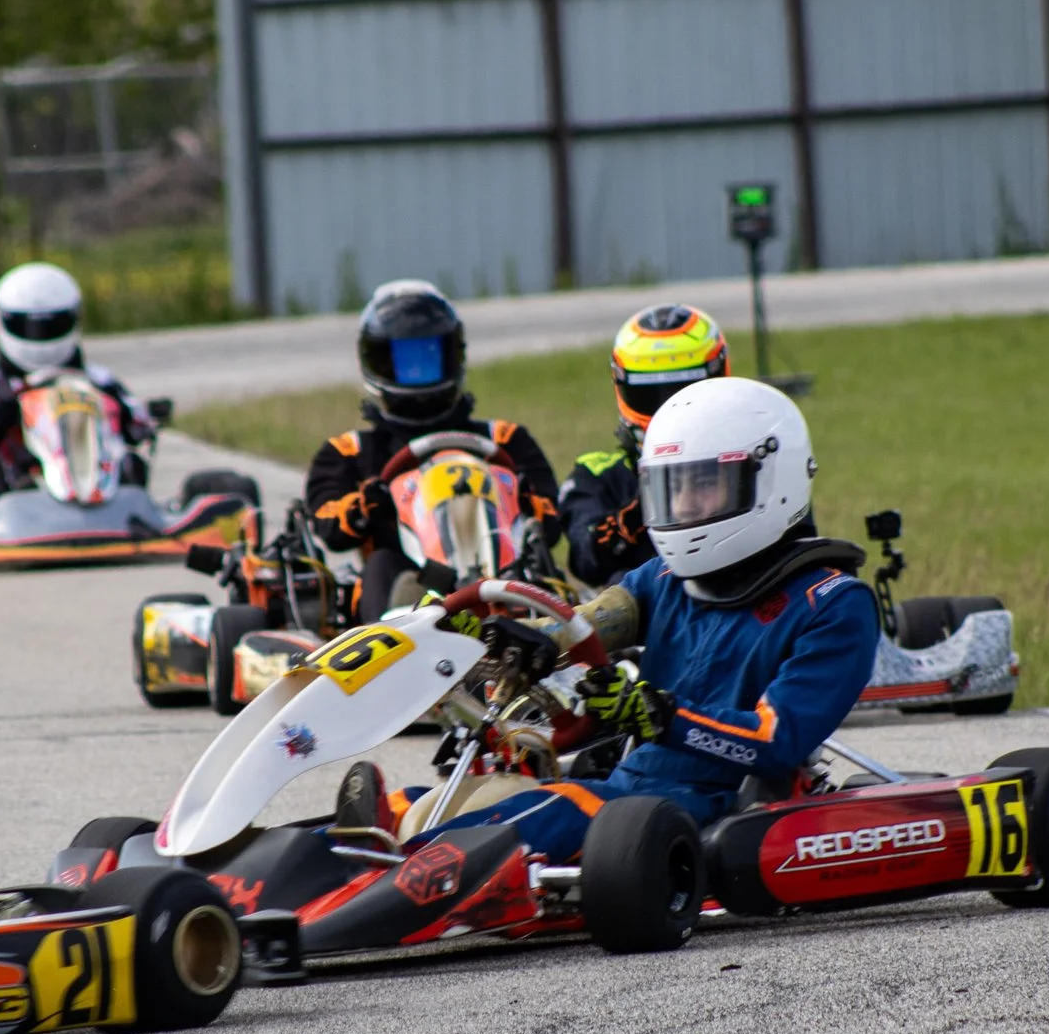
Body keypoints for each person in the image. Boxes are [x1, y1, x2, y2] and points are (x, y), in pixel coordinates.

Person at [343, 377, 876, 866]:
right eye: (674, 488)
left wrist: (657, 716)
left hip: (697, 806)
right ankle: (349, 850)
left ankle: (403, 869)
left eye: (703, 487)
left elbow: (774, 738)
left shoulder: (832, 605)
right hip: (623, 791)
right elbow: (580, 630)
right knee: (442, 801)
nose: (685, 505)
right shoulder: (663, 579)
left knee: (555, 808)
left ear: (767, 479)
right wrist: (501, 644)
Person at [305, 280, 562, 617]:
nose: (417, 373)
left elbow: (553, 525)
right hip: (408, 584)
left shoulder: (505, 440)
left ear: (452, 355)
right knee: (382, 562)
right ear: (376, 362)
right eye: (403, 360)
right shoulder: (350, 452)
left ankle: (549, 639)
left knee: (538, 562)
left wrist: (522, 498)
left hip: (502, 572)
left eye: (429, 356)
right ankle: (391, 648)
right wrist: (365, 506)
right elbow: (328, 526)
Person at [0, 261, 159, 502]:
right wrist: (3, 411)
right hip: (19, 494)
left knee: (131, 461)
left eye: (51, 326)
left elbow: (140, 427)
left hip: (100, 483)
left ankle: (112, 505)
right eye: (28, 326)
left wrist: (123, 414)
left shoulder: (98, 379)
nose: (39, 336)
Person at [559, 303, 728, 587]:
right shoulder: (596, 474)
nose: (668, 407)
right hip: (642, 617)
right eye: (650, 394)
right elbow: (585, 555)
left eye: (681, 391)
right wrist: (649, 502)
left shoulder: (745, 460)